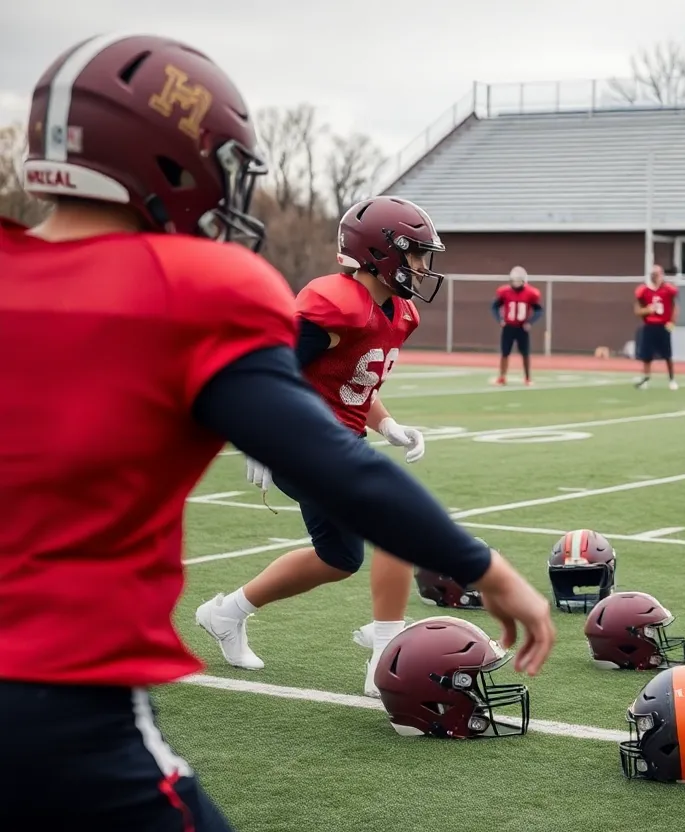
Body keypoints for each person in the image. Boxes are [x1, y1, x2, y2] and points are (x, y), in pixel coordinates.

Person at [0, 34, 554, 831]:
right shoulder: (203, 289)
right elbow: (337, 460)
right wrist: (484, 567)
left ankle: (268, 615)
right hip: (53, 692)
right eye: (219, 166)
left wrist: (384, 424)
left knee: (340, 552)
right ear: (168, 158)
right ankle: (375, 633)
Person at [196, 196, 440, 699]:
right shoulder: (335, 303)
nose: (422, 267)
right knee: (397, 518)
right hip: (298, 440)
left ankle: (226, 613)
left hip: (336, 440)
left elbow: (351, 381)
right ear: (382, 252)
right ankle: (386, 657)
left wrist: (388, 424)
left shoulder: (398, 312)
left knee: (338, 558)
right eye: (415, 254)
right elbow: (263, 370)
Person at [491, 265, 543, 386]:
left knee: (525, 353)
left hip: (522, 327)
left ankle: (527, 378)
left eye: (518, 281)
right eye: (514, 280)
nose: (516, 283)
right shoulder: (504, 292)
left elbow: (539, 310)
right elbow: (494, 306)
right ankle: (502, 377)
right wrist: (500, 320)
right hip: (508, 326)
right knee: (505, 352)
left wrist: (529, 322)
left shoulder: (531, 293)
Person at [634, 265, 679, 390]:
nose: (655, 276)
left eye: (657, 274)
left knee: (667, 355)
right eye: (653, 274)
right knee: (646, 355)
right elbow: (637, 310)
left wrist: (672, 322)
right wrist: (647, 310)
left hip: (664, 325)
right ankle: (646, 379)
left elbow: (675, 306)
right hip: (649, 325)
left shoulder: (668, 289)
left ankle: (671, 379)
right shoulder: (643, 290)